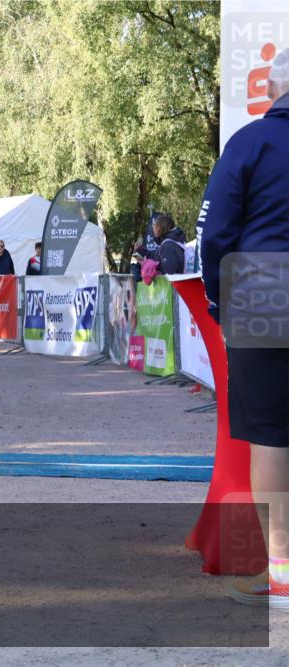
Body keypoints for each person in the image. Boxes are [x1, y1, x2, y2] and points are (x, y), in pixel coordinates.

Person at [199, 47, 289, 609]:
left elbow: (214, 232)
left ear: (275, 87)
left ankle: (282, 574)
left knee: (272, 436)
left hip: (263, 292)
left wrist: (217, 296)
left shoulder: (250, 142)